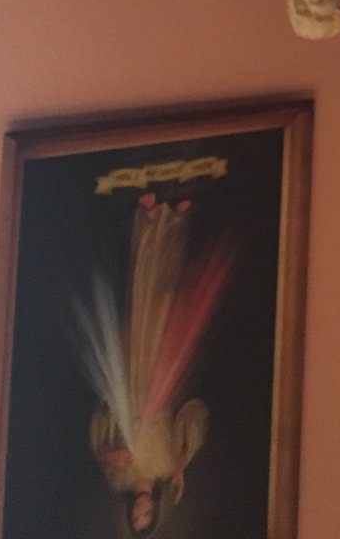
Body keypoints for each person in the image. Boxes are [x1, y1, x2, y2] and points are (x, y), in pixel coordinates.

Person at [88, 194, 220, 534]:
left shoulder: (118, 478)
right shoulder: (165, 468)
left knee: (141, 299)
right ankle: (177, 221)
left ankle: (147, 218)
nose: (140, 512)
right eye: (146, 517)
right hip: (162, 377)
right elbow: (193, 416)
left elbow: (99, 424)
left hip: (133, 381)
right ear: (155, 511)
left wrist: (109, 455)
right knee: (166, 301)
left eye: (135, 518)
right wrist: (180, 465)